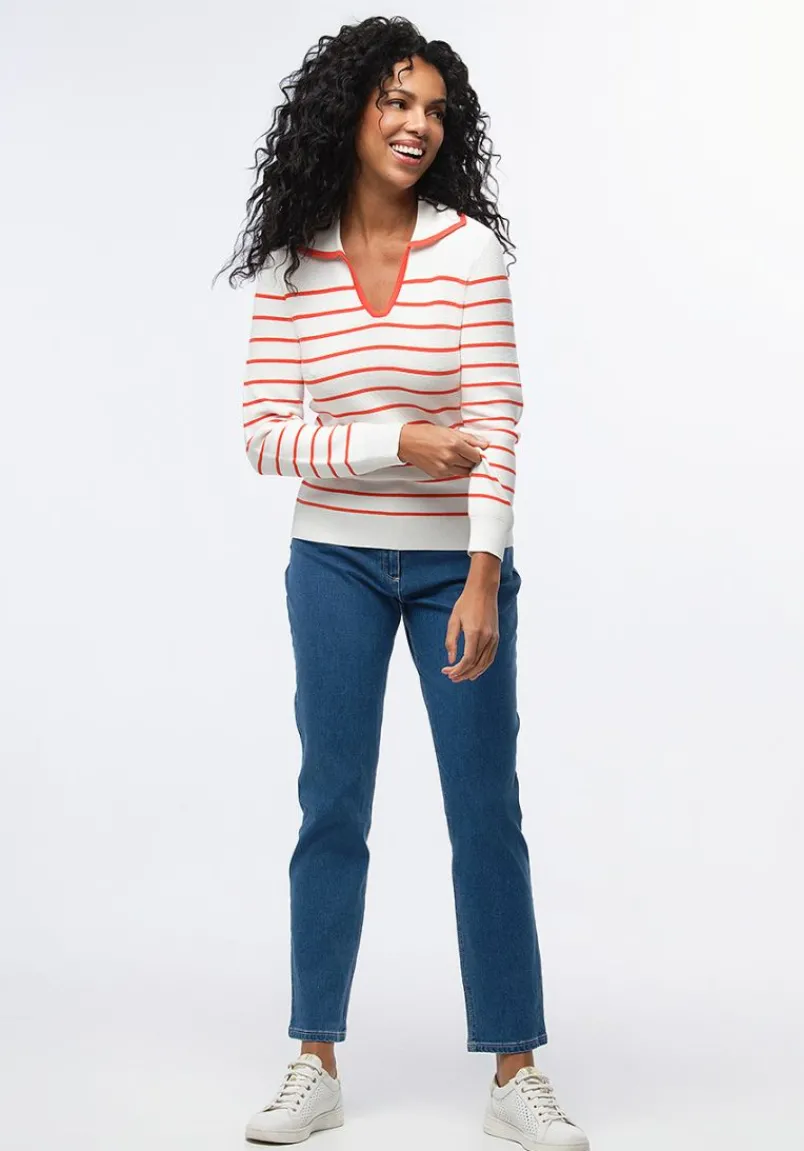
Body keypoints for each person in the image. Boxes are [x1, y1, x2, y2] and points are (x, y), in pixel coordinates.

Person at [218, 16, 590, 1151]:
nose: (417, 123)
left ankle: (516, 1069)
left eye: (433, 108)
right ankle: (314, 1060)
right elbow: (264, 436)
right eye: (395, 100)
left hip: (453, 572)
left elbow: (499, 421)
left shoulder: (468, 252)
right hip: (330, 561)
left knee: (485, 811)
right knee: (332, 802)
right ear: (349, 112)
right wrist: (397, 441)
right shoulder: (294, 260)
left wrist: (483, 573)